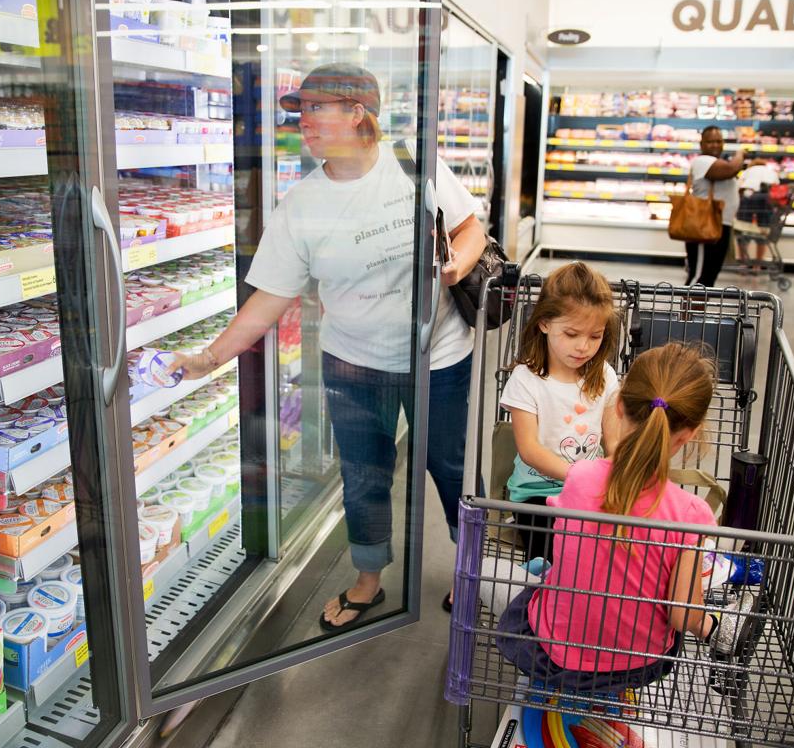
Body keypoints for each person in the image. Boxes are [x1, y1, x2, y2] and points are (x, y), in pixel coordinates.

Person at [173, 63, 487, 630]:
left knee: (452, 465)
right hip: (353, 362)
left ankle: (475, 568)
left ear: (358, 113)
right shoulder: (301, 206)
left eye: (316, 109)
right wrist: (210, 358)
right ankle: (369, 578)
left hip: (436, 354)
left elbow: (471, 228)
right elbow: (268, 300)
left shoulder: (415, 166)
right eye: (300, 112)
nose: (303, 123)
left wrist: (454, 265)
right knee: (364, 473)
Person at [491, 342, 754, 692]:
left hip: (555, 657)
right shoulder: (692, 514)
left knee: (499, 575)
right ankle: (722, 630)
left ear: (617, 406)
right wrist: (711, 625)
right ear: (691, 434)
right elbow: (681, 615)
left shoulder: (581, 479)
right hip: (639, 665)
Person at [498, 263, 620, 560]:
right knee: (554, 559)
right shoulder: (526, 380)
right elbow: (529, 450)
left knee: (602, 555)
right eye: (571, 333)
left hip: (590, 491)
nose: (583, 347)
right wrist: (581, 477)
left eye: (595, 336)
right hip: (537, 493)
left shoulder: (604, 375)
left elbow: (615, 441)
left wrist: (614, 473)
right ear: (544, 323)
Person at [683, 126, 745, 287]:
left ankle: (696, 312)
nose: (715, 145)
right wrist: (740, 154)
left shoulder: (716, 162)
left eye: (718, 141)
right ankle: (686, 312)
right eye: (710, 141)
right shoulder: (702, 161)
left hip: (719, 226)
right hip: (705, 227)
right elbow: (732, 169)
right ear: (701, 144)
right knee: (699, 278)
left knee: (708, 277)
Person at [736, 158, 781, 267]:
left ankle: (743, 263)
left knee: (742, 235)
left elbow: (738, 186)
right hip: (765, 204)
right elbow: (776, 188)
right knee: (762, 237)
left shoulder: (747, 171)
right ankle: (757, 265)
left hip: (747, 202)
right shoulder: (771, 172)